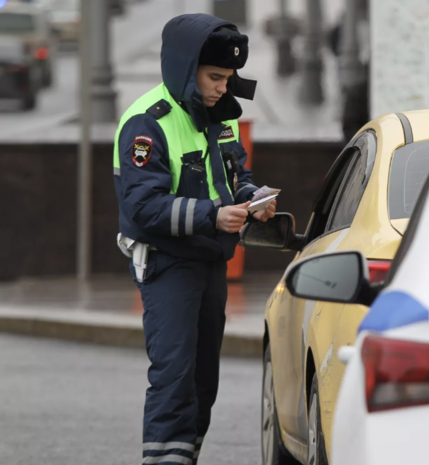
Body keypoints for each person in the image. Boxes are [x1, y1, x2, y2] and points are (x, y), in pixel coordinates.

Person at [112, 14, 276, 465]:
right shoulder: (146, 124)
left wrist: (253, 198)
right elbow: (143, 207)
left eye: (229, 78)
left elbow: (234, 174)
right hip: (166, 263)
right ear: (187, 69)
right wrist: (213, 216)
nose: (224, 87)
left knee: (204, 379)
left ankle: (183, 456)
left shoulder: (217, 116)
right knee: (174, 375)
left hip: (209, 260)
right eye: (216, 77)